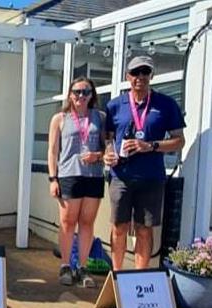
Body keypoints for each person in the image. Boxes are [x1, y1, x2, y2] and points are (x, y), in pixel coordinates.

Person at [103, 56, 185, 271]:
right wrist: (108, 154)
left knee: (144, 230)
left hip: (151, 178)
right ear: (127, 76)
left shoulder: (166, 105)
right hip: (120, 176)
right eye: (135, 72)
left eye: (145, 72)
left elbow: (179, 141)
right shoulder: (114, 105)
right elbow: (108, 139)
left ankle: (139, 277)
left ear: (151, 76)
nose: (140, 77)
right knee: (119, 228)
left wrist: (150, 146)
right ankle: (117, 275)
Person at [47, 77, 105, 287]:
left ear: (92, 95)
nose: (81, 96)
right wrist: (53, 178)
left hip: (94, 176)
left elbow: (109, 148)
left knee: (87, 222)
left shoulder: (100, 117)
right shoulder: (60, 118)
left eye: (86, 92)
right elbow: (53, 151)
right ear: (70, 94)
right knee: (67, 222)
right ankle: (65, 265)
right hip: (68, 175)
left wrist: (97, 156)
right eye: (77, 92)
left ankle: (81, 267)